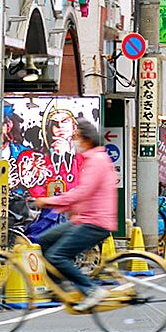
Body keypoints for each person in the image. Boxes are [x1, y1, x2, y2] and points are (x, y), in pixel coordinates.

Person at [32, 119, 118, 311]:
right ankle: (57, 286)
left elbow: (82, 192)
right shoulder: (92, 159)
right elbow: (84, 195)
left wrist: (50, 202)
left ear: (86, 139)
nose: (74, 141)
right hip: (83, 219)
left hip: (95, 222)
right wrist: (64, 207)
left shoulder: (96, 161)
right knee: (45, 240)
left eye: (76, 137)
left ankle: (91, 290)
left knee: (57, 255)